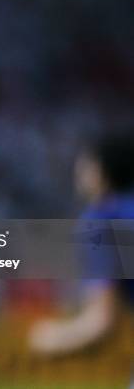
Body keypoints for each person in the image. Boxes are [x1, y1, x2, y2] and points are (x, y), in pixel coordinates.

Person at [28, 126, 134, 362]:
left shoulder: (103, 219)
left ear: (100, 171)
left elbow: (102, 324)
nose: (78, 170)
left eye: (85, 163)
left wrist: (53, 338)